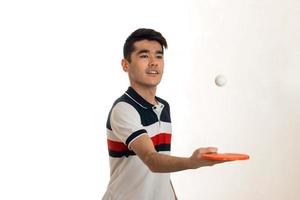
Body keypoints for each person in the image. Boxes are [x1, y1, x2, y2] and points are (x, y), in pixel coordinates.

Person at [103, 28, 228, 200]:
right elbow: (152, 160)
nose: (153, 62)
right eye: (144, 56)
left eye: (159, 56)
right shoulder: (124, 109)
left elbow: (161, 165)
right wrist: (192, 162)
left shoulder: (163, 107)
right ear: (126, 64)